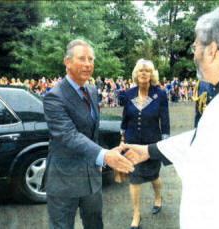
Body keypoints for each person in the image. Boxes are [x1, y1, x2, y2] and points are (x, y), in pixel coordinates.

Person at [120, 6, 219, 229]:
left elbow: (206, 172)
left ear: (212, 50)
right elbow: (200, 137)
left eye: (196, 45)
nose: (193, 53)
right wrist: (148, 151)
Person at [42, 39, 134, 229]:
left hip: (91, 176)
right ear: (67, 62)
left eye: (90, 59)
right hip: (64, 179)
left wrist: (101, 155)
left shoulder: (91, 90)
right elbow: (68, 135)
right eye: (81, 58)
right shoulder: (54, 96)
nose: (87, 64)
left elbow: (91, 132)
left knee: (95, 224)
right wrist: (104, 155)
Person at [118, 59, 170, 229]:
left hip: (152, 143)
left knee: (154, 176)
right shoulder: (128, 94)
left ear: (152, 74)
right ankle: (136, 215)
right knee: (134, 179)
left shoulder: (160, 94)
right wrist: (122, 138)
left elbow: (165, 120)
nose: (143, 73)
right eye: (140, 70)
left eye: (147, 70)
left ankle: (157, 197)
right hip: (133, 143)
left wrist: (164, 143)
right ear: (136, 73)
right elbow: (125, 117)